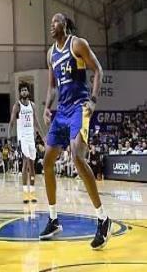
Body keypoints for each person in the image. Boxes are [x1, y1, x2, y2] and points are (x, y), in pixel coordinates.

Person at [39, 13, 112, 250]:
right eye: (51, 22)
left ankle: (103, 218)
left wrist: (93, 100)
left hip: (80, 107)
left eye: (56, 21)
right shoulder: (51, 54)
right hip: (61, 111)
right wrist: (47, 107)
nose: (52, 25)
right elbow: (52, 86)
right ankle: (53, 219)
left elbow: (98, 70)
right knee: (47, 161)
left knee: (77, 156)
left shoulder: (77, 44)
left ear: (65, 25)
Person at [8, 82, 45, 204]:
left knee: (32, 165)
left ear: (28, 92)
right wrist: (9, 137)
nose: (24, 92)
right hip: (22, 137)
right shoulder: (17, 105)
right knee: (25, 163)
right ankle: (25, 192)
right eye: (22, 90)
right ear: (20, 92)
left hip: (31, 137)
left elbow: (36, 123)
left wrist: (43, 137)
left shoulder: (32, 105)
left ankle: (32, 192)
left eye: (25, 90)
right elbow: (11, 122)